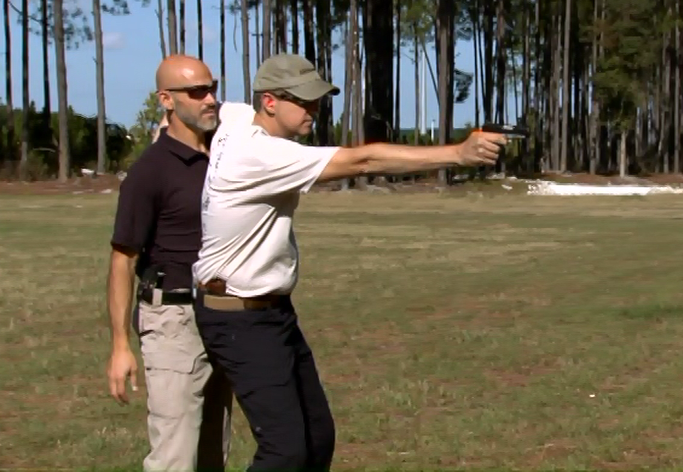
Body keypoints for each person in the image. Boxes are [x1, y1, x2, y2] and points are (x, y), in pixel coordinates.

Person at [191, 53, 506, 471]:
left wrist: (167, 127)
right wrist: (458, 154)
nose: (314, 110)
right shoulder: (260, 153)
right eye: (303, 102)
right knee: (284, 453)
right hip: (239, 319)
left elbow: (206, 111)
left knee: (317, 438)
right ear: (270, 102)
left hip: (271, 311)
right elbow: (364, 160)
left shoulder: (234, 118)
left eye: (317, 100)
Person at [106, 54, 253, 472]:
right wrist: (120, 346)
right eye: (197, 92)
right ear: (166, 100)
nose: (210, 99)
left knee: (212, 452)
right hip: (171, 321)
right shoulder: (150, 172)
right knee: (174, 456)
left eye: (212, 88)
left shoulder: (222, 157)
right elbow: (122, 258)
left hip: (219, 315)